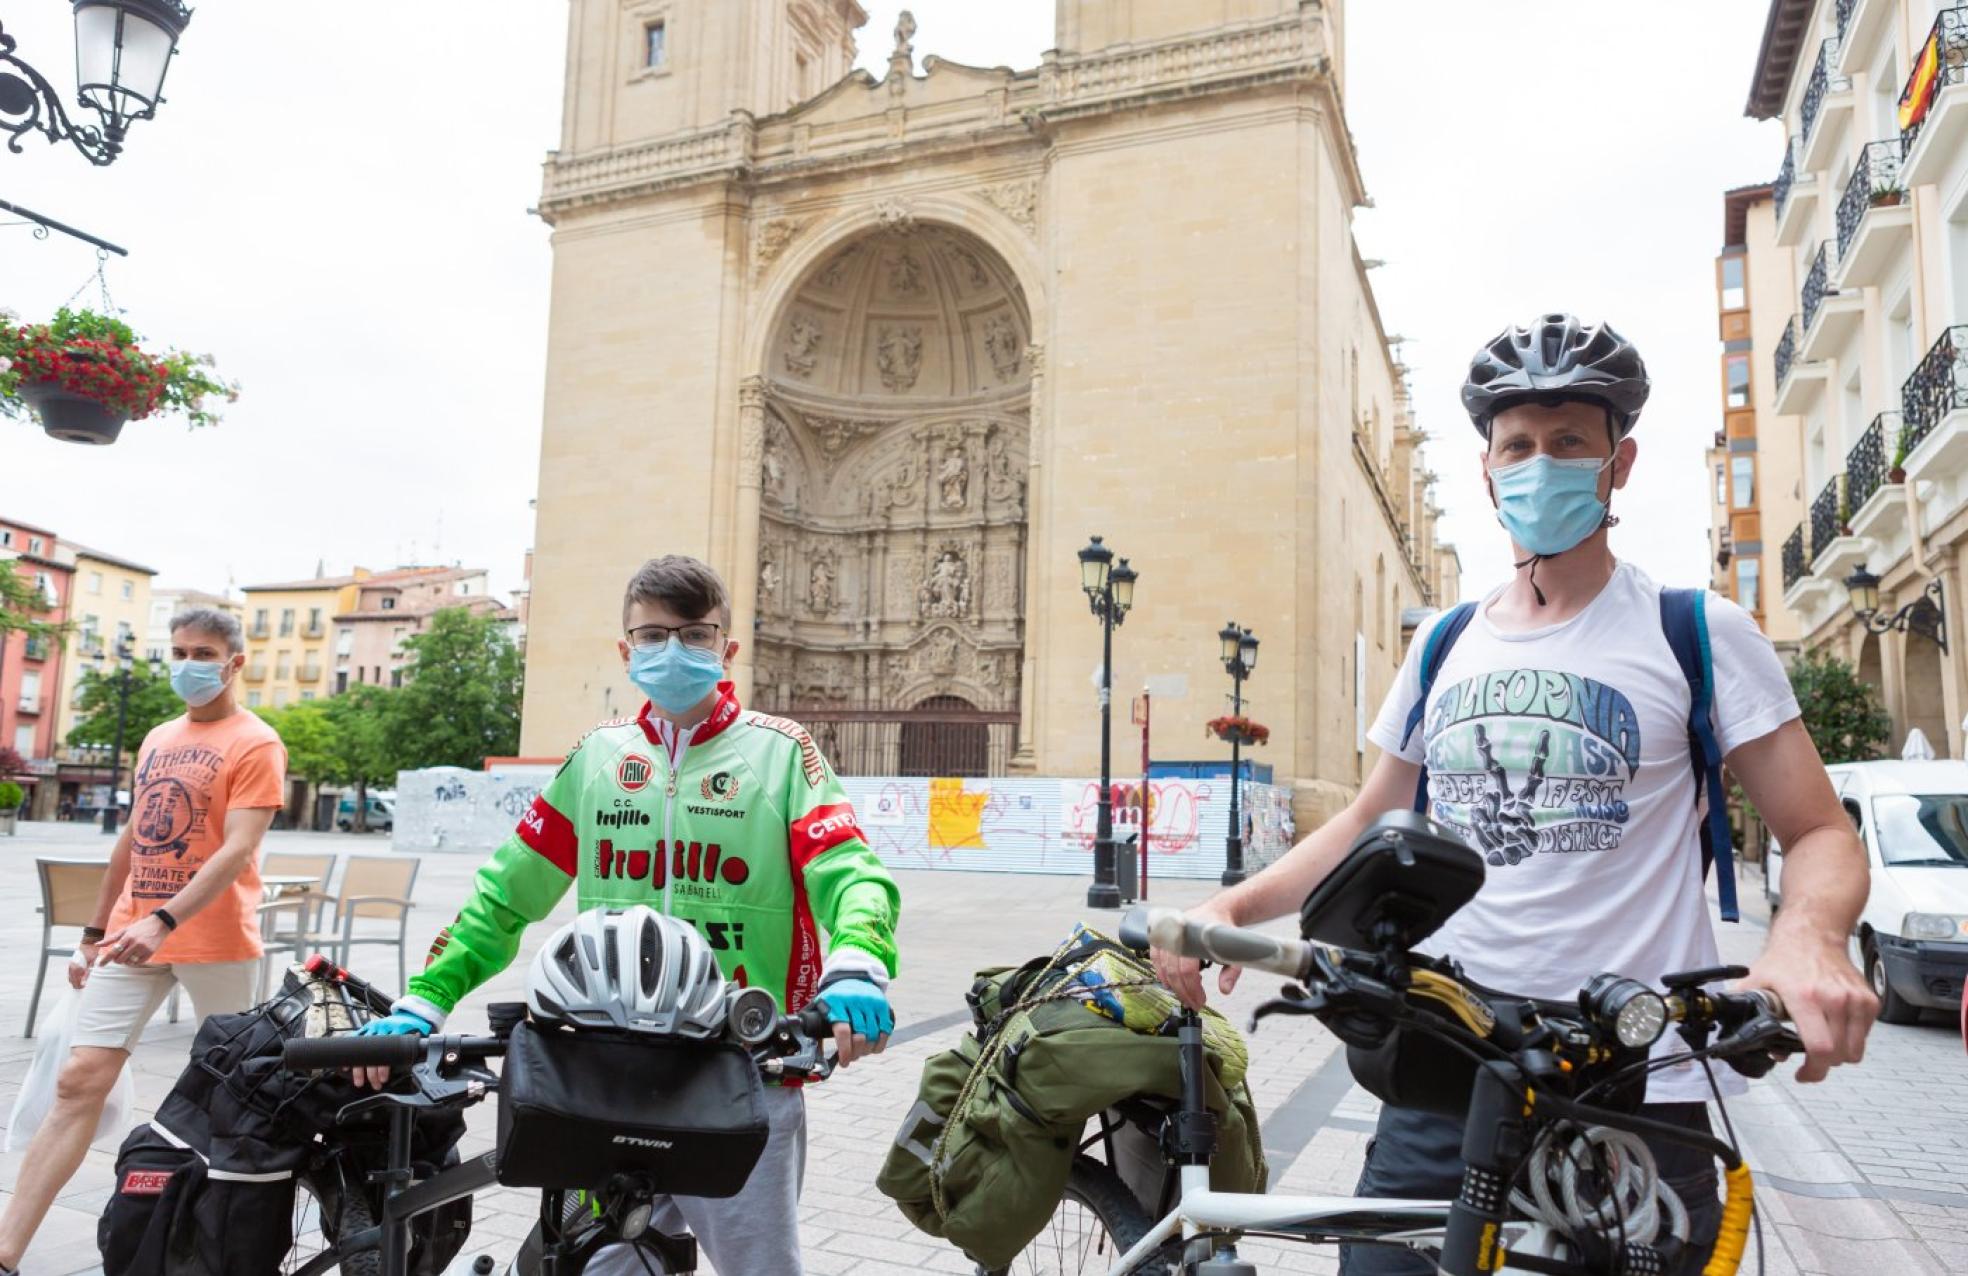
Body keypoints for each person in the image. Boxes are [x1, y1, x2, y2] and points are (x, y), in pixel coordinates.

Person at [1152, 315, 1877, 1275]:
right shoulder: (1446, 641)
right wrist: (1228, 908)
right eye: (1519, 446)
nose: (1541, 465)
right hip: (1447, 1059)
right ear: (1489, 471)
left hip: (1632, 1078)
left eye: (1568, 442)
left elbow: (1818, 826)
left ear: (1616, 464)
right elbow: (1374, 817)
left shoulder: (1696, 630)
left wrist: (1808, 938)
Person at [357, 555, 901, 1275]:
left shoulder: (782, 754)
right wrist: (426, 996)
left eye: (694, 635)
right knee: (594, 1264)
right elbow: (504, 894)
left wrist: (858, 966)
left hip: (743, 1072)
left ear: (727, 649)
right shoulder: (596, 758)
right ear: (624, 650)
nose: (671, 651)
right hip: (602, 1072)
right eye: (651, 636)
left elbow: (852, 873)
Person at [0, 608, 287, 1276]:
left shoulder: (257, 742)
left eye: (204, 652)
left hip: (215, 940)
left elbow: (240, 846)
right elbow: (133, 838)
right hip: (132, 936)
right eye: (180, 650)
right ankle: (7, 1252)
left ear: (235, 662)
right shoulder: (158, 737)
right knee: (78, 1080)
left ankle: (217, 1245)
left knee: (230, 1102)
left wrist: (167, 918)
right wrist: (96, 932)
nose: (189, 663)